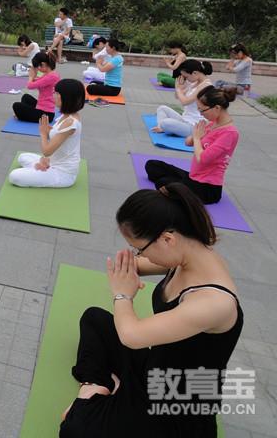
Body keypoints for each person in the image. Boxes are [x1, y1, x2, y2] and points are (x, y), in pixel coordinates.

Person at [60, 185, 243, 438]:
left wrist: (122, 294)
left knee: (73, 429)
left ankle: (99, 393)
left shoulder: (213, 302)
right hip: (155, 366)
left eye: (140, 248)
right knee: (94, 319)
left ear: (167, 239)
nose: (139, 255)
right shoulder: (187, 253)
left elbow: (131, 336)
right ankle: (96, 385)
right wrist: (129, 263)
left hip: (173, 407)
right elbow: (138, 266)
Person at [145, 85, 239, 204]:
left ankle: (177, 188)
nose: (200, 114)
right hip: (193, 176)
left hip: (207, 187)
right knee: (153, 165)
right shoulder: (212, 123)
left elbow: (203, 159)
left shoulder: (230, 133)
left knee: (162, 183)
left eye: (202, 110)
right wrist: (194, 136)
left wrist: (197, 138)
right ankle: (177, 186)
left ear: (216, 108)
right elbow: (188, 142)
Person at [9, 78, 84, 188]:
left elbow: (47, 151)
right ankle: (40, 168)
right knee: (22, 157)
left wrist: (43, 133)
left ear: (65, 97)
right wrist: (46, 160)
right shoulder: (66, 116)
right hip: (53, 162)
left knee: (14, 176)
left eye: (56, 93)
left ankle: (38, 171)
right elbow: (57, 137)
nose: (53, 95)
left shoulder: (70, 123)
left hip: (63, 174)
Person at [152, 60, 214, 137]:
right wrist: (179, 87)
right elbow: (177, 96)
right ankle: (163, 128)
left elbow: (185, 102)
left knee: (166, 122)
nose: (186, 79)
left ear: (194, 73)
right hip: (185, 119)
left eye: (186, 76)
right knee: (162, 108)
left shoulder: (206, 86)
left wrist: (178, 89)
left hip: (195, 125)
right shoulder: (194, 82)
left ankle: (165, 127)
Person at [13, 51, 60, 123]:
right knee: (25, 97)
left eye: (38, 66)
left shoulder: (51, 76)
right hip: (41, 106)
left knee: (16, 106)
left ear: (43, 64)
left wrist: (31, 76)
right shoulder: (49, 74)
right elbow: (37, 82)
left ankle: (22, 115)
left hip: (46, 114)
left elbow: (30, 86)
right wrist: (33, 76)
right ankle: (24, 114)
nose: (37, 69)